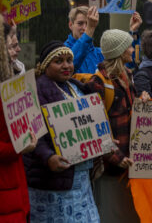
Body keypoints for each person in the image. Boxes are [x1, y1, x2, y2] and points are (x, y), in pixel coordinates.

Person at [23, 41, 99, 222]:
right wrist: (49, 157)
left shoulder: (76, 85)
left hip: (79, 179)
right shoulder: (35, 89)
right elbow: (33, 132)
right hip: (52, 180)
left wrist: (103, 143)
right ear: (45, 66)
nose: (66, 66)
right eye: (59, 61)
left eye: (69, 60)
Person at [86, 29, 148, 222]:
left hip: (131, 164)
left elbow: (130, 109)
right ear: (120, 52)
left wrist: (142, 99)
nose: (132, 49)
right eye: (129, 46)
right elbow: (94, 127)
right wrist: (115, 157)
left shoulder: (127, 75)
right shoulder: (97, 83)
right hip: (110, 169)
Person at [0, 16, 37, 223]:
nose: (18, 50)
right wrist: (18, 147)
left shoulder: (11, 81)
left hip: (15, 187)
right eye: (12, 44)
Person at [64, 6, 142, 73]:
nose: (85, 28)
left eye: (88, 23)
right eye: (80, 23)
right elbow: (71, 64)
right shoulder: (62, 51)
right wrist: (90, 28)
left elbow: (132, 62)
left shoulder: (100, 53)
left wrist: (133, 32)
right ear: (71, 25)